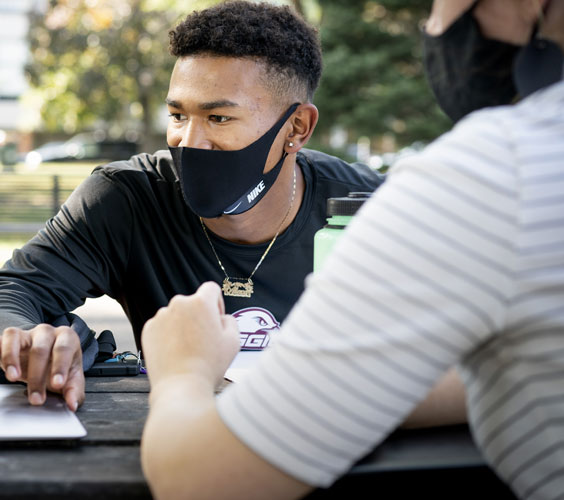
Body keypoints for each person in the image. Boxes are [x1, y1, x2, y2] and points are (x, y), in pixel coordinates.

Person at [139, 0, 564, 498]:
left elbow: (201, 479)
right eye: (177, 114)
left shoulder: (495, 169)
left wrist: (182, 370)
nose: (431, 24)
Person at [0, 1, 384, 411]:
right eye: (178, 115)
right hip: (171, 430)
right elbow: (0, 294)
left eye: (218, 118)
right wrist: (30, 341)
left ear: (297, 127)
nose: (189, 141)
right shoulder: (126, 197)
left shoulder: (371, 208)